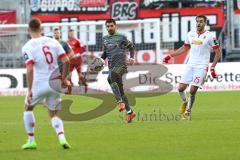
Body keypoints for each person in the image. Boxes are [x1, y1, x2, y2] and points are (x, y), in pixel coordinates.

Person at [22, 18, 71, 149]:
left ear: (28, 30)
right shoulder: (53, 41)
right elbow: (66, 61)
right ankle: (62, 138)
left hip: (39, 83)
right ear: (42, 28)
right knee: (53, 112)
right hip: (55, 83)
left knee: (28, 108)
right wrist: (65, 78)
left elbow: (30, 68)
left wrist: (30, 89)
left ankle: (31, 141)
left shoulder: (28, 46)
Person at [163, 15, 221, 119]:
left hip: (202, 66)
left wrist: (212, 68)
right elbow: (184, 48)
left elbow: (218, 53)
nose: (199, 23)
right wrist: (170, 55)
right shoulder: (190, 34)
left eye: (201, 21)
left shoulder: (210, 36)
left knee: (192, 90)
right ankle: (185, 102)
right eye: (197, 21)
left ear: (205, 23)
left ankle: (188, 111)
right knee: (180, 88)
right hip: (190, 65)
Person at [101, 19, 136, 123]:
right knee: (120, 91)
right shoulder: (105, 39)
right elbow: (105, 53)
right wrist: (100, 60)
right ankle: (130, 112)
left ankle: (120, 102)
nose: (109, 28)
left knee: (110, 77)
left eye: (111, 26)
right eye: (107, 26)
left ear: (115, 26)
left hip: (121, 64)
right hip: (111, 65)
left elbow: (131, 47)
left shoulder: (122, 37)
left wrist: (132, 57)